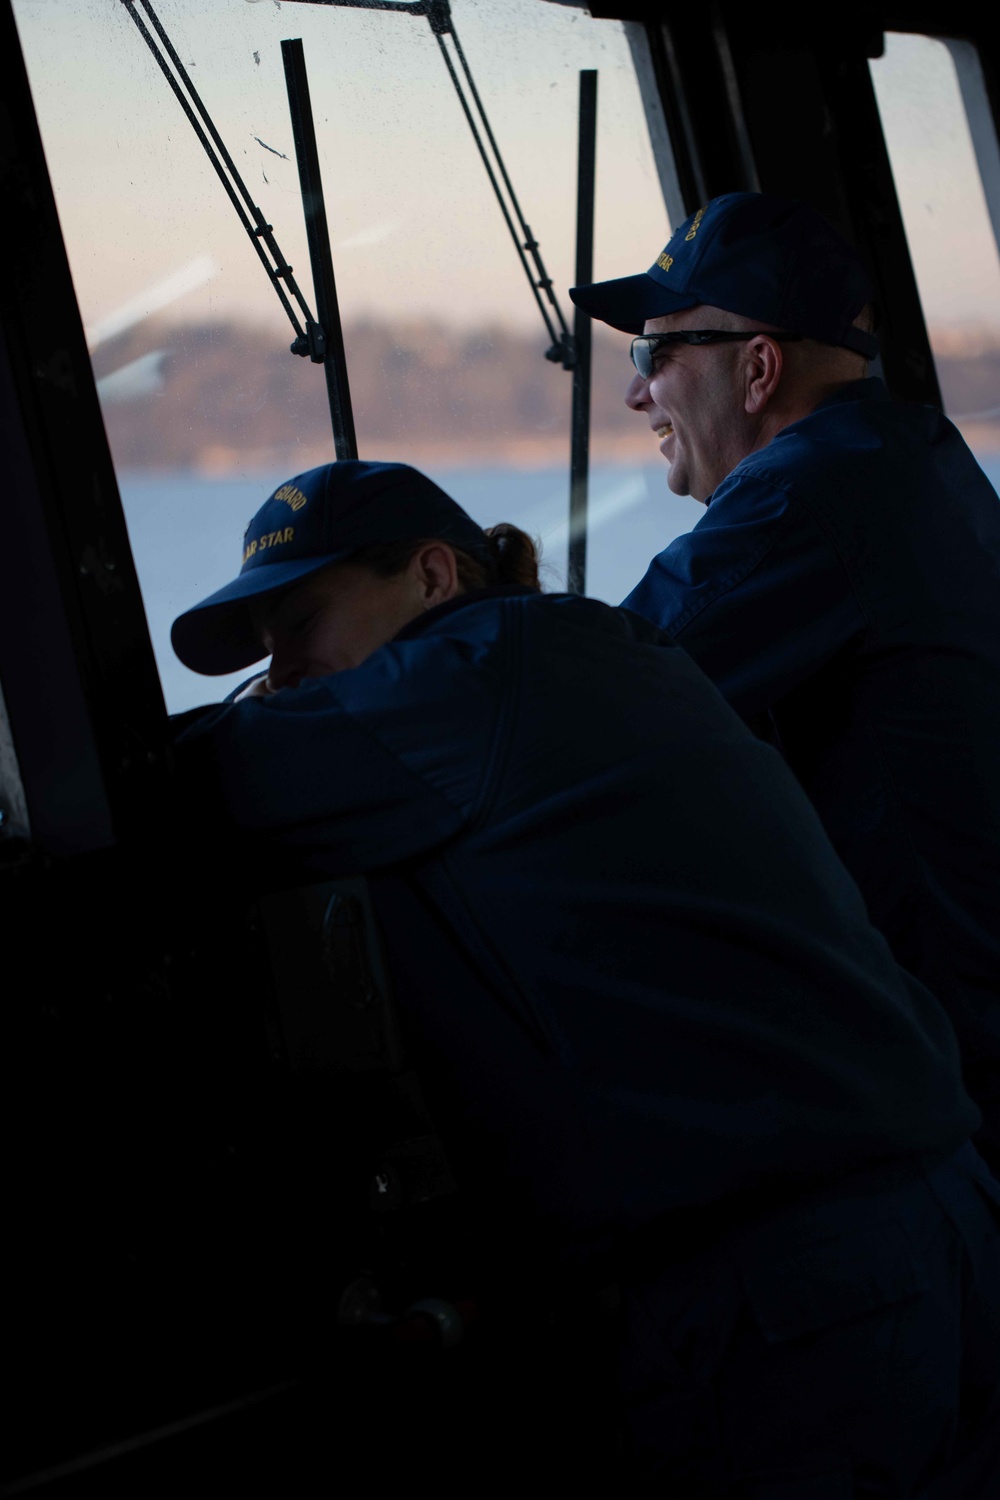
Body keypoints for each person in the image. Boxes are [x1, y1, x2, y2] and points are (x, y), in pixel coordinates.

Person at [172, 459, 1000, 1493]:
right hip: (928, 1220)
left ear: (433, 575)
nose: (283, 674)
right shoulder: (596, 645)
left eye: (300, 624)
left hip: (785, 1292)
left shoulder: (463, 679)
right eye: (263, 652)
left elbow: (173, 789)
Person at [571, 191, 1000, 1171]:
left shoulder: (809, 495)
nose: (637, 395)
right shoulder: (907, 455)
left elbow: (597, 693)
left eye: (653, 357)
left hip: (944, 1074)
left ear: (758, 368)